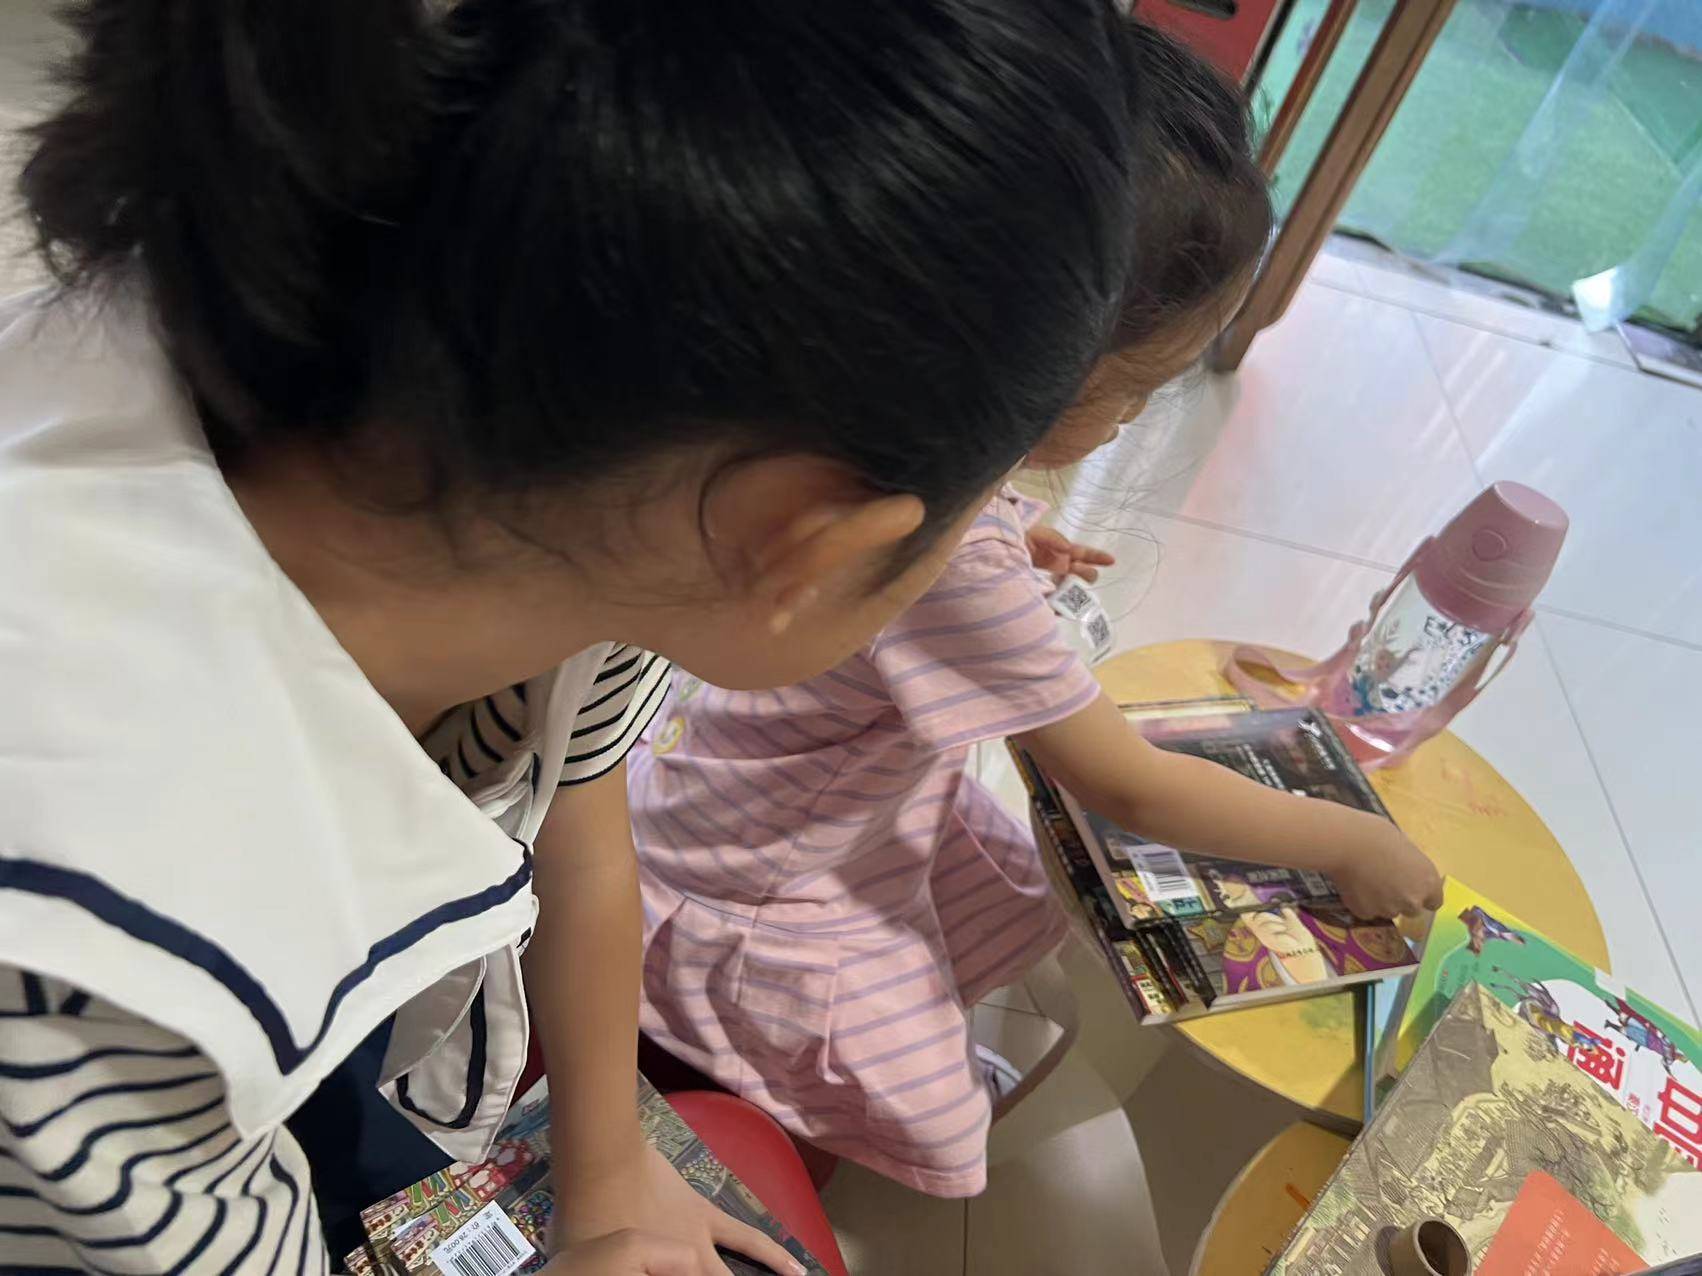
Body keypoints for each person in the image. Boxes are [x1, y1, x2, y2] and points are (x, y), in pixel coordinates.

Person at [0, 0, 1155, 1271]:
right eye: (987, 505)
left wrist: (609, 1177)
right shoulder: (104, 955)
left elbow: (580, 829)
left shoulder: (569, 479)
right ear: (798, 540)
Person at [627, 20, 1444, 1196]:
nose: (1135, 418)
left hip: (783, 789)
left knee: (1006, 883)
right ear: (1029, 349)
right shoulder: (942, 554)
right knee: (928, 1101)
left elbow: (953, 563)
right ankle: (760, 1102)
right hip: (757, 874)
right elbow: (1125, 784)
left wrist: (1015, 530)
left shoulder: (904, 425)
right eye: (1133, 386)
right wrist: (1348, 840)